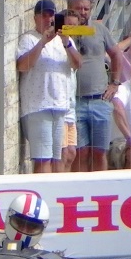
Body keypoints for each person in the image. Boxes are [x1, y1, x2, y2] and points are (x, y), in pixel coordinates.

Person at [16, 0, 82, 173]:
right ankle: (40, 190)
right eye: (43, 15)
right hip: (38, 107)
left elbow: (77, 64)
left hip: (60, 107)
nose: (48, 19)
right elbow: (23, 65)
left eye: (51, 15)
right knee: (43, 159)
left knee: (56, 159)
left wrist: (67, 43)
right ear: (36, 18)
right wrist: (43, 42)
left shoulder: (64, 40)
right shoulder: (29, 39)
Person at [67, 0, 124, 172]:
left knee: (100, 152)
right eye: (78, 8)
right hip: (75, 102)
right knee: (80, 153)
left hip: (100, 100)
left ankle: (102, 187)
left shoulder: (100, 29)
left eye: (86, 8)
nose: (83, 12)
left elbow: (116, 54)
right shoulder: (64, 32)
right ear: (70, 8)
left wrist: (115, 83)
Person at [59, 9, 81, 171]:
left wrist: (67, 43)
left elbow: (78, 64)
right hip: (59, 105)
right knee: (63, 153)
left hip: (70, 106)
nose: (72, 29)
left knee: (72, 153)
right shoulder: (55, 42)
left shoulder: (70, 43)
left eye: (75, 26)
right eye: (68, 25)